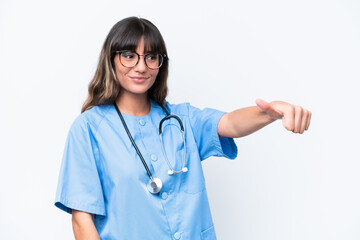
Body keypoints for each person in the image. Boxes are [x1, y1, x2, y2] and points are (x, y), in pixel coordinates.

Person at [54, 16, 311, 240]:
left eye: (151, 57)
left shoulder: (181, 118)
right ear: (111, 60)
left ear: (161, 63)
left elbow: (231, 123)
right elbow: (82, 219)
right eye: (130, 56)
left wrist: (270, 113)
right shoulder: (89, 129)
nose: (141, 67)